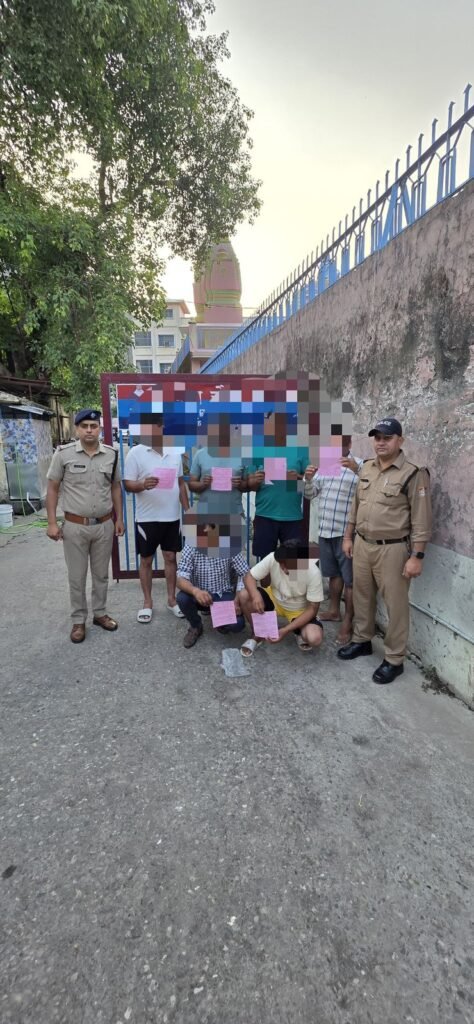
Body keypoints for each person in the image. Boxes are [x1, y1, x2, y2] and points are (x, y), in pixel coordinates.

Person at [337, 418, 432, 684]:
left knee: (396, 605)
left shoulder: (413, 474)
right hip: (362, 544)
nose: (381, 442)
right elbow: (356, 506)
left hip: (392, 549)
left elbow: (422, 520)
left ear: (400, 441)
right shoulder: (367, 467)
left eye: (387, 438)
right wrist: (348, 537)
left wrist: (417, 556)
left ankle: (394, 659)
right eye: (377, 438)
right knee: (362, 596)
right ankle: (362, 640)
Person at [46, 408, 125, 643]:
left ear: (99, 428)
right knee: (77, 576)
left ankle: (99, 614)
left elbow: (115, 487)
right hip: (75, 526)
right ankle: (78, 620)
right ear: (77, 429)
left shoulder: (112, 455)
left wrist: (119, 519)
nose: (89, 430)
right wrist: (52, 522)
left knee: (101, 574)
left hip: (104, 525)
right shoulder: (63, 454)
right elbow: (52, 488)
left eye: (93, 426)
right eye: (84, 426)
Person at [123, 414, 189, 622]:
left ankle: (171, 600)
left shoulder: (174, 453)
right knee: (146, 559)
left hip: (171, 517)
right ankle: (147, 603)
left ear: (162, 427)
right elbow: (127, 484)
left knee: (170, 558)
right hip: (147, 518)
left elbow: (180, 484)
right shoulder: (135, 453)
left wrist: (188, 510)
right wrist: (142, 484)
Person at [304, 436, 362, 644]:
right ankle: (334, 611)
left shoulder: (360, 466)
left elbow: (371, 488)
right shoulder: (326, 466)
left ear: (349, 445)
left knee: (350, 580)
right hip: (325, 530)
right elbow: (310, 494)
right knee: (333, 574)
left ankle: (348, 621)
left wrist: (357, 469)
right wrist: (308, 480)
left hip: (347, 534)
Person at [238, 539, 324, 657]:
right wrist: (255, 595)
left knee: (315, 638)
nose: (283, 569)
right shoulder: (273, 557)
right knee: (244, 595)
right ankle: (258, 633)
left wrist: (285, 630)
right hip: (274, 599)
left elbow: (313, 608)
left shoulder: (313, 572)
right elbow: (249, 577)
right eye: (281, 564)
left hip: (299, 609)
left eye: (288, 566)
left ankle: (298, 630)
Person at [176, 515, 250, 648]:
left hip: (223, 593)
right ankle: (196, 626)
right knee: (182, 598)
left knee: (238, 625)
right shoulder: (191, 546)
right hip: (199, 596)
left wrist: (237, 599)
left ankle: (221, 622)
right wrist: (195, 591)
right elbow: (181, 578)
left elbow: (244, 573)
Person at [245, 410, 308, 558]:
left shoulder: (300, 450)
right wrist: (255, 480)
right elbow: (250, 485)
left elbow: (310, 481)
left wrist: (298, 478)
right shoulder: (258, 451)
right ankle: (268, 576)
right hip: (265, 515)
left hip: (292, 516)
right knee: (266, 562)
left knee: (293, 562)